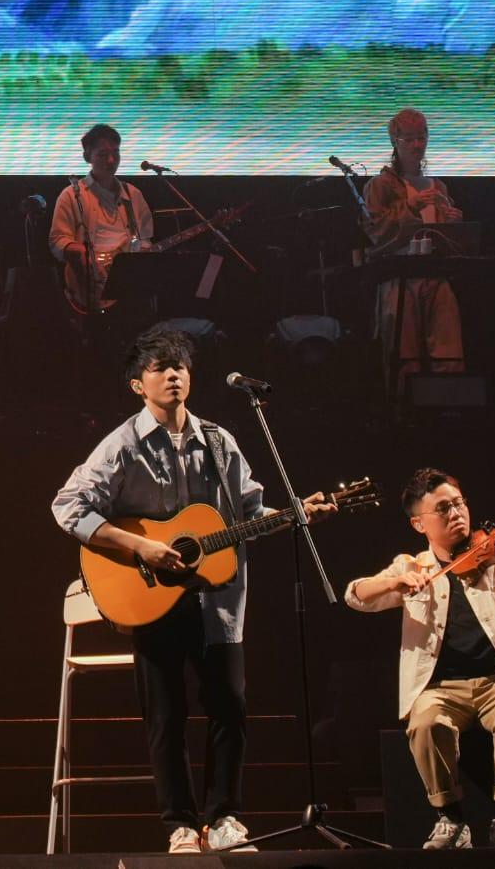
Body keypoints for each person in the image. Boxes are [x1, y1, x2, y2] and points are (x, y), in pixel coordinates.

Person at [50, 326, 333, 854]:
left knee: (230, 706)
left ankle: (223, 818)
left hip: (218, 598)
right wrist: (141, 547)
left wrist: (295, 514)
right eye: (159, 367)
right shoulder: (122, 445)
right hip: (150, 597)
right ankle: (179, 825)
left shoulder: (219, 442)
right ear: (138, 384)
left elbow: (250, 512)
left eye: (179, 366)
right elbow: (67, 506)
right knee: (167, 714)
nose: (173, 375)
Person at [344, 468, 495, 850]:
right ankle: (451, 819)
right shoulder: (413, 566)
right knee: (425, 724)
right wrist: (395, 582)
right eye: (443, 509)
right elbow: (355, 595)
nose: (456, 513)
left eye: (459, 503)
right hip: (440, 687)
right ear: (419, 523)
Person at [361, 107, 466, 392]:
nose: (417, 145)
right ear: (395, 142)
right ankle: (404, 408)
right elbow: (377, 231)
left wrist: (453, 224)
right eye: (409, 139)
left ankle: (446, 406)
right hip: (400, 276)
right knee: (404, 354)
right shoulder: (380, 185)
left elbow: (447, 241)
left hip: (436, 274)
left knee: (448, 349)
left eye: (422, 137)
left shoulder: (438, 186)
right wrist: (411, 207)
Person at [49, 124, 155, 315]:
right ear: (87, 157)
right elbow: (57, 241)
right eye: (103, 154)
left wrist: (142, 252)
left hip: (127, 288)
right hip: (88, 288)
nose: (111, 160)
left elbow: (145, 238)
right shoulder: (71, 195)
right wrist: (76, 252)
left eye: (116, 152)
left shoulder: (133, 195)